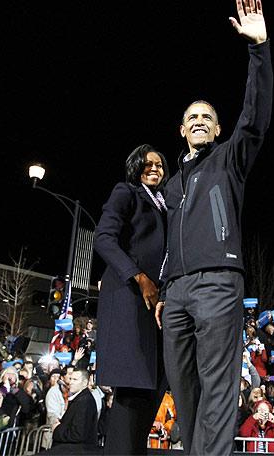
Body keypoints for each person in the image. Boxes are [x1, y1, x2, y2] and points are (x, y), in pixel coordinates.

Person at [156, 0, 273, 454]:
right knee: (185, 397)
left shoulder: (229, 159)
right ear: (182, 130)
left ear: (218, 129)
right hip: (177, 293)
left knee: (219, 390)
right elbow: (159, 240)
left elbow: (255, 118)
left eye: (208, 116)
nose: (201, 120)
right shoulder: (170, 185)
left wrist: (258, 49)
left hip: (218, 286)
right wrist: (161, 287)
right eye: (192, 117)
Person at [94, 143, 169, 454]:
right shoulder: (126, 192)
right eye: (147, 164)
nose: (154, 169)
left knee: (152, 391)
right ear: (135, 167)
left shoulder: (166, 203)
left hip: (156, 306)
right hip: (129, 298)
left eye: (160, 165)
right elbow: (103, 238)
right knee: (132, 390)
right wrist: (138, 277)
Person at [49, 369, 98, 455]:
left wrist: (57, 429)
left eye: (75, 380)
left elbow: (78, 434)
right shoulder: (80, 399)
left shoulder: (85, 401)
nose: (71, 382)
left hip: (75, 451)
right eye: (71, 379)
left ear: (84, 382)